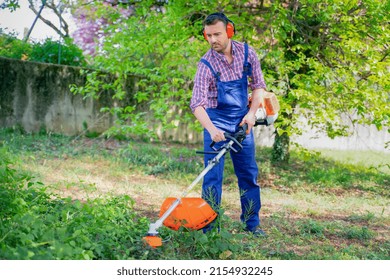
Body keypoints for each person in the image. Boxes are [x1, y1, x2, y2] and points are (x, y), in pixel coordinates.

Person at [190, 12, 267, 236]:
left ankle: (251, 224)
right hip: (216, 121)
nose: (213, 40)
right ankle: (210, 229)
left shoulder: (247, 53)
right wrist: (212, 130)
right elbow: (196, 104)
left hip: (242, 121)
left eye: (217, 34)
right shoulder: (206, 64)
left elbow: (258, 86)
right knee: (212, 178)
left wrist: (251, 114)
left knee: (248, 174)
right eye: (208, 35)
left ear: (229, 31)